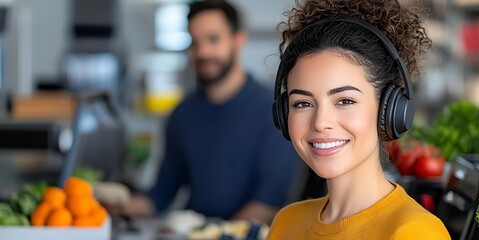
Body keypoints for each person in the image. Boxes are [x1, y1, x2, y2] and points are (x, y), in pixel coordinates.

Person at [267, 0, 451, 239]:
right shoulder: (286, 223)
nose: (320, 122)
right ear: (283, 114)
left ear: (390, 110)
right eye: (303, 103)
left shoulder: (414, 232)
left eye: (345, 101)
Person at [120, 0, 298, 224]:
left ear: (238, 40)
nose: (202, 51)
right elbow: (161, 194)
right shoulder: (182, 115)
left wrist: (220, 235)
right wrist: (113, 206)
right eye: (194, 42)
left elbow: (269, 201)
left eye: (213, 39)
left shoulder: (272, 111)